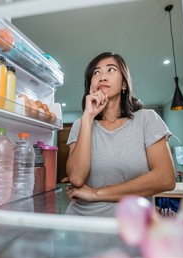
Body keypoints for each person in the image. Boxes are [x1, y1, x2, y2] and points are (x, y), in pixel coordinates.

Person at [64, 52, 175, 217]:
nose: (102, 76)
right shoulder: (81, 124)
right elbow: (77, 178)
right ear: (90, 86)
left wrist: (96, 193)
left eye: (111, 70)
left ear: (124, 84)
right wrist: (88, 117)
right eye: (96, 72)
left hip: (132, 225)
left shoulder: (147, 119)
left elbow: (165, 179)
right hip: (81, 222)